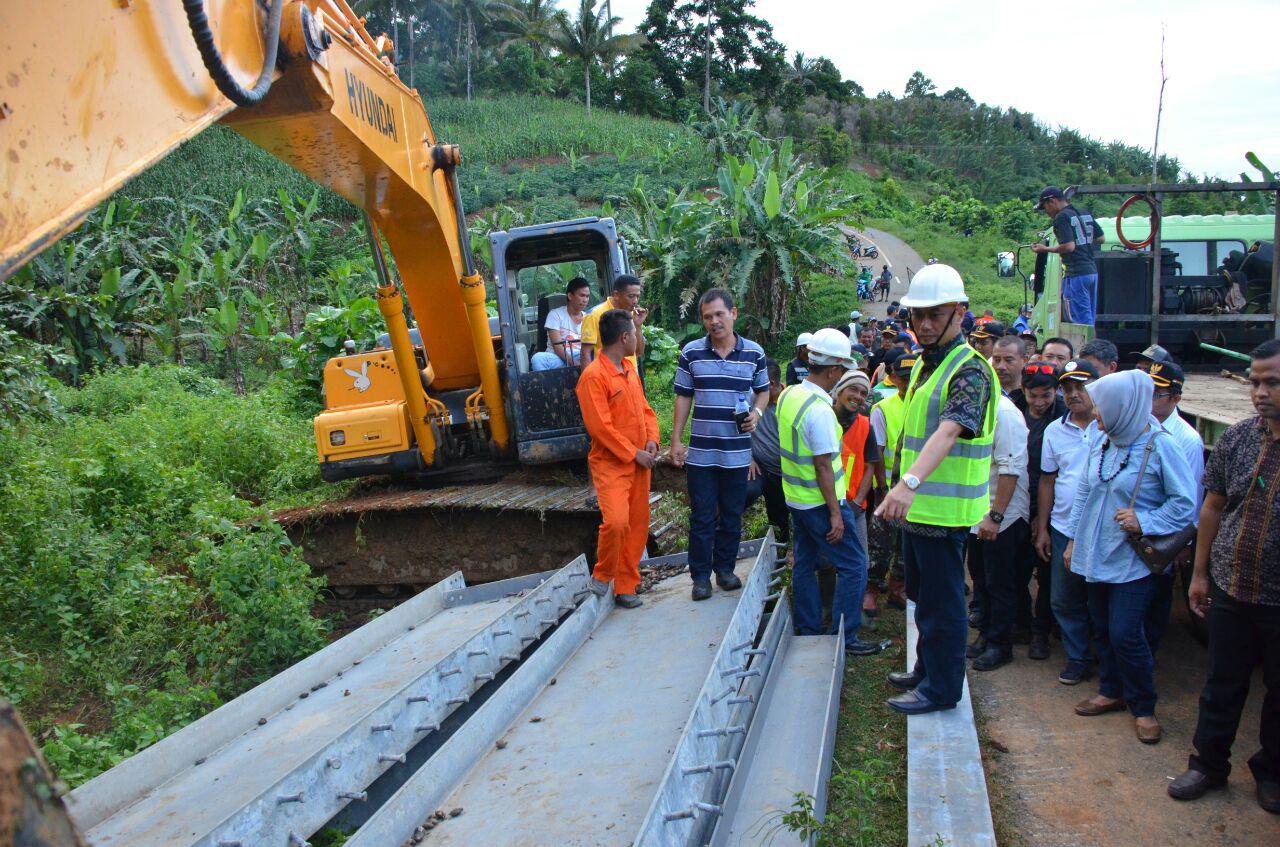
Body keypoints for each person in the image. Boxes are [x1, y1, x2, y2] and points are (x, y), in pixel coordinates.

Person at [876, 264, 999, 715]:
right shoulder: (929, 365)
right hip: (919, 512)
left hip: (943, 515)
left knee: (944, 607)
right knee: (924, 600)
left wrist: (907, 485)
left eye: (936, 315)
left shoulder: (970, 370)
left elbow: (949, 432)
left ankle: (941, 690)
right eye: (918, 316)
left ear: (960, 313)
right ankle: (926, 670)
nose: (924, 325)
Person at [1168, 340, 1280, 812]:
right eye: (1255, 382)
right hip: (1232, 587)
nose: (1260, 392)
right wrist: (1199, 574)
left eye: (1271, 382)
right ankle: (1208, 764)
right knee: (1221, 683)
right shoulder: (1237, 437)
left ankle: (1272, 773)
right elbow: (1212, 507)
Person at [1063, 371, 1196, 745]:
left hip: (1132, 559)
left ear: (1124, 406)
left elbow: (1185, 505)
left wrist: (1146, 520)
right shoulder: (1104, 440)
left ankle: (1143, 705)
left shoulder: (1160, 445)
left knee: (1126, 633)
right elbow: (1085, 494)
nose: (1096, 413)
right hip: (1095, 550)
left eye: (1102, 407)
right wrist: (1074, 540)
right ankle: (1110, 689)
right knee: (1102, 627)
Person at [778, 328, 884, 656]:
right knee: (853, 564)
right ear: (835, 370)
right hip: (821, 505)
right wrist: (837, 514)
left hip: (796, 499)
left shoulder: (789, 395)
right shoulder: (820, 411)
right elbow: (824, 466)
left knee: (805, 562)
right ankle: (845, 636)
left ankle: (809, 628)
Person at [671, 289, 770, 601]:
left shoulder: (754, 353)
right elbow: (683, 396)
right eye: (707, 317)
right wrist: (676, 439)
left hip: (738, 454)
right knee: (701, 517)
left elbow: (764, 391)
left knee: (731, 514)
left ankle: (725, 569)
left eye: (719, 314)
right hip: (701, 454)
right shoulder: (691, 353)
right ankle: (700, 577)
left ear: (734, 313)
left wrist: (756, 413)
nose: (714, 321)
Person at [576, 309, 660, 609]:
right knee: (616, 523)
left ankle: (626, 585)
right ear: (624, 337)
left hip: (640, 462)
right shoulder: (593, 377)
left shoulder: (628, 369)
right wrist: (633, 453)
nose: (637, 338)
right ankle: (603, 574)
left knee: (638, 525)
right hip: (613, 464)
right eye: (635, 333)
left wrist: (651, 439)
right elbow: (600, 428)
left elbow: (645, 410)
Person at [1037, 359, 1102, 684]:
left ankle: (1107, 660)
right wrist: (1043, 527)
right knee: (1063, 598)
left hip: (1104, 531)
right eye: (1068, 388)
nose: (1075, 394)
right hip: (1064, 527)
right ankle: (1078, 657)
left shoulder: (1111, 427)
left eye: (1082, 386)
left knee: (1101, 599)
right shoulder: (1054, 431)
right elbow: (1048, 480)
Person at [966, 355, 1031, 671]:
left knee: (1000, 582)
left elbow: (1010, 469)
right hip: (978, 513)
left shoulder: (1005, 414)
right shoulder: (980, 409)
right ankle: (986, 634)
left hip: (1001, 515)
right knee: (981, 579)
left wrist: (995, 517)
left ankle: (1000, 644)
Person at [1146, 360, 1204, 655]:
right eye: (1148, 390)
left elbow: (1192, 496)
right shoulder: (1142, 425)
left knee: (1158, 591)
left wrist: (1183, 543)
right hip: (1142, 523)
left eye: (1157, 393)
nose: (1150, 399)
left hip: (1167, 529)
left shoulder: (1186, 438)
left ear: (1176, 398)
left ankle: (1152, 650)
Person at [1020, 361, 1067, 659]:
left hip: (1050, 505)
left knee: (1047, 573)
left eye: (1045, 395)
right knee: (1016, 569)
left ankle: (1041, 631)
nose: (1039, 402)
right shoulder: (1014, 412)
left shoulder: (1063, 419)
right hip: (1018, 502)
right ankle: (1021, 622)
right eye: (1033, 395)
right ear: (1023, 391)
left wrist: (1043, 519)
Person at [833, 368, 883, 616]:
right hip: (825, 504)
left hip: (854, 507)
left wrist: (859, 501)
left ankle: (855, 610)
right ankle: (829, 607)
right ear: (840, 390)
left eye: (863, 392)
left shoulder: (865, 426)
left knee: (859, 561)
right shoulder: (824, 418)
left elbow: (870, 466)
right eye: (853, 389)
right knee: (826, 560)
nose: (858, 396)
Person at [870, 350, 916, 610]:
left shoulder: (924, 404)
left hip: (914, 488)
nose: (908, 382)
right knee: (880, 541)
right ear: (893, 378)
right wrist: (881, 487)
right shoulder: (882, 409)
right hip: (887, 485)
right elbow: (876, 452)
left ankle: (898, 589)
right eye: (903, 377)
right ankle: (872, 589)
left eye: (913, 377)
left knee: (905, 543)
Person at [1032, 186, 1105, 325]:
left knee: (1080, 321)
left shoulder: (1061, 217)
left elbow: (1069, 246)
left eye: (1045, 208)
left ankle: (1085, 346)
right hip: (1091, 272)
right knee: (1089, 317)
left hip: (1076, 273)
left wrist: (1045, 249)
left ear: (1052, 201)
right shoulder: (1084, 213)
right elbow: (1100, 238)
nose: (1047, 213)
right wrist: (1083, 241)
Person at [745, 359, 789, 545]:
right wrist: (749, 456)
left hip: (785, 473)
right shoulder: (750, 400)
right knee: (742, 493)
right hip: (760, 468)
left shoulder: (790, 402)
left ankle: (781, 545)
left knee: (780, 517)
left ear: (770, 384)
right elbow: (736, 428)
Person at [580, 274, 647, 370]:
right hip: (605, 377)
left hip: (630, 376)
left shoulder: (634, 315)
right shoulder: (594, 315)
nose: (635, 301)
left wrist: (638, 326)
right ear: (616, 295)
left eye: (638, 296)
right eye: (631, 296)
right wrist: (588, 381)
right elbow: (585, 353)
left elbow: (639, 352)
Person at [531, 277, 591, 370]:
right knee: (538, 359)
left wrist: (583, 361)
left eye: (587, 296)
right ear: (570, 296)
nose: (585, 300)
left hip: (580, 356)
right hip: (557, 357)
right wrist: (574, 363)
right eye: (582, 295)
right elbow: (557, 346)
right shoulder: (555, 315)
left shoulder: (589, 317)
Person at [991, 335, 1026, 413]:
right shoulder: (985, 392)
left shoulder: (1032, 395)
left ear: (1024, 360)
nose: (1001, 366)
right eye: (997, 360)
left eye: (1008, 360)